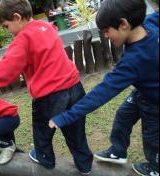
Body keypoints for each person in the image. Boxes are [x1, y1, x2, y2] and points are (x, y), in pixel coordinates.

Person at [0, 0, 93, 174]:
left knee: (43, 130)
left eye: (6, 26)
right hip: (75, 88)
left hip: (50, 97)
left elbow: (6, 70)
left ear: (17, 17)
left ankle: (44, 157)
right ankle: (85, 165)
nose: (7, 31)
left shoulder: (23, 39)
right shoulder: (46, 26)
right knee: (76, 131)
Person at [49, 0, 159, 175]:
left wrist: (67, 117)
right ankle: (118, 150)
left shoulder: (132, 62)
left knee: (152, 135)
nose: (106, 35)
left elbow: (101, 94)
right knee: (123, 116)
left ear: (123, 24)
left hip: (155, 102)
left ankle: (155, 166)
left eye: (107, 31)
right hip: (143, 92)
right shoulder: (150, 24)